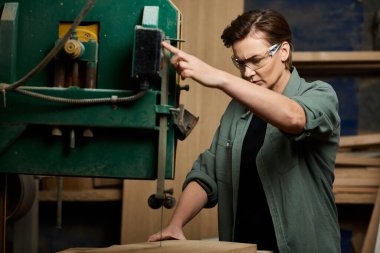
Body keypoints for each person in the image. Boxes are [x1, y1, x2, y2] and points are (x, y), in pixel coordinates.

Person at [148, 9, 341, 253]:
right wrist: (176, 225)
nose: (248, 73)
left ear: (284, 51)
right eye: (240, 63)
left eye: (256, 61)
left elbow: (294, 118)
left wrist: (220, 79)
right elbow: (208, 172)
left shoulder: (320, 95)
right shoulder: (237, 110)